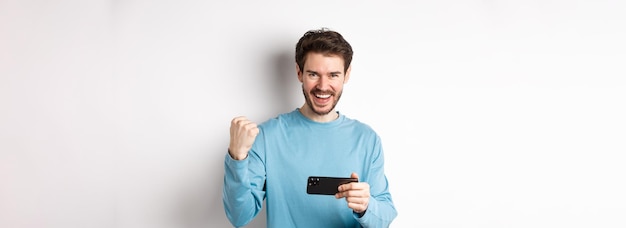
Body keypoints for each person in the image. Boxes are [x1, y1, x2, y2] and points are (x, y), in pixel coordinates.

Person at [223, 28, 397, 227]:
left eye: (333, 75)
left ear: (346, 75)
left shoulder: (366, 139)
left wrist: (366, 206)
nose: (323, 86)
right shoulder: (267, 137)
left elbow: (384, 217)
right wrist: (237, 158)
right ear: (299, 72)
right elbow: (239, 216)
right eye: (314, 74)